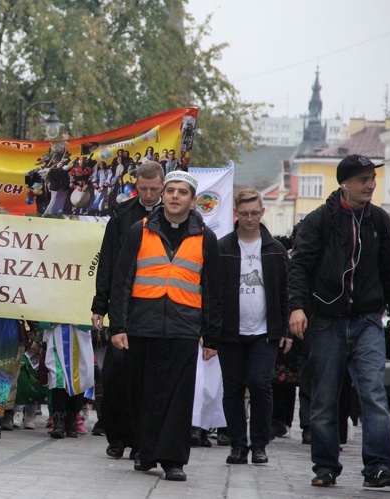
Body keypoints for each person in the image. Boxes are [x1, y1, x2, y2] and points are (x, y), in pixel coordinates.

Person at [289, 154, 390, 488]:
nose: (370, 185)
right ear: (344, 184)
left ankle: (378, 467)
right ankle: (325, 466)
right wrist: (297, 307)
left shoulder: (379, 220)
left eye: (372, 179)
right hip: (327, 320)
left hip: (367, 320)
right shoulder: (319, 220)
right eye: (363, 179)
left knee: (373, 393)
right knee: (324, 398)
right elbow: (299, 267)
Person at [109, 170, 221, 482]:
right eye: (170, 190)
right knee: (142, 393)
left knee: (178, 396)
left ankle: (173, 459)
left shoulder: (205, 238)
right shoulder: (139, 231)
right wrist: (118, 326)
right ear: (163, 195)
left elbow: (213, 290)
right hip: (142, 326)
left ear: (193, 200)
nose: (174, 196)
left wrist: (211, 336)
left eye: (181, 192)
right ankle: (145, 452)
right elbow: (122, 281)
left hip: (184, 328)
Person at [91, 161, 164, 461]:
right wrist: (100, 305)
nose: (147, 195)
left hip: (156, 307)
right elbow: (108, 263)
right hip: (123, 306)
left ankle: (139, 438)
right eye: (143, 189)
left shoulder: (173, 217)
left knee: (146, 377)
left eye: (153, 189)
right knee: (116, 373)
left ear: (162, 185)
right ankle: (115, 435)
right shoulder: (121, 216)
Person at [217, 187, 290, 465]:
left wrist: (283, 329)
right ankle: (238, 445)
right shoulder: (223, 247)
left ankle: (259, 444)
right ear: (236, 213)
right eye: (244, 213)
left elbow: (285, 290)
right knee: (233, 388)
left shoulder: (276, 249)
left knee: (260, 383)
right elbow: (212, 292)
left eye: (255, 213)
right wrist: (210, 332)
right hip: (230, 331)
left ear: (262, 212)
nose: (250, 218)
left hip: (264, 331)